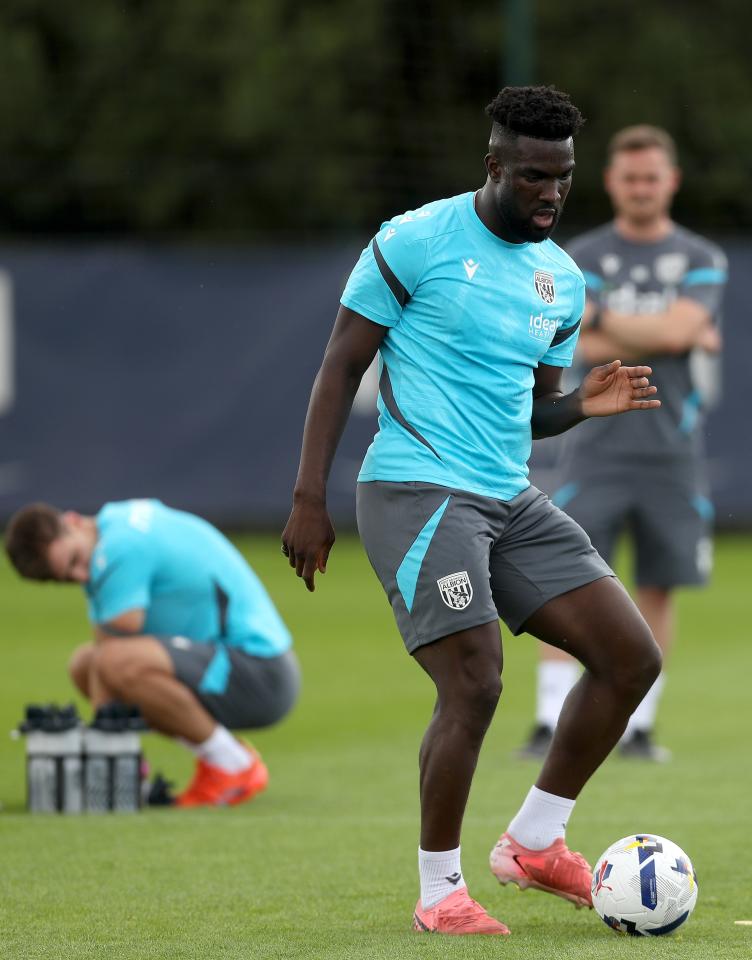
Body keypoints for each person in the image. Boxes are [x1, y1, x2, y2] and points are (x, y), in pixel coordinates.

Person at [279, 86, 663, 937]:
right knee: (476, 681)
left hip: (508, 496)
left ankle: (534, 842)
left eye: (561, 178)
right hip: (416, 490)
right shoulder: (414, 241)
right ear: (494, 166)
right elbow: (340, 368)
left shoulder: (560, 279)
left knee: (632, 658)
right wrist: (310, 497)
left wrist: (582, 409)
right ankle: (439, 892)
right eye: (533, 176)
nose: (550, 194)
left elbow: (532, 410)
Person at [519, 124, 727, 763]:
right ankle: (551, 719)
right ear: (612, 182)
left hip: (672, 449)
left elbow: (678, 328)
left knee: (659, 584)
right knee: (565, 582)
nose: (641, 188)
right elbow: (578, 340)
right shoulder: (574, 255)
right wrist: (666, 333)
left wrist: (611, 322)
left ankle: (636, 727)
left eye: (651, 177)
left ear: (671, 181)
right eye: (630, 177)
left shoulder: (701, 256)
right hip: (595, 445)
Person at [4, 498, 300, 807]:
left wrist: (102, 755)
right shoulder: (115, 522)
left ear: (73, 521)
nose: (80, 576)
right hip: (234, 664)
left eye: (75, 560)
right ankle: (156, 766)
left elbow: (121, 632)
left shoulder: (119, 548)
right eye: (65, 578)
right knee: (85, 663)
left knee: (110, 661)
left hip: (262, 673)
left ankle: (233, 765)